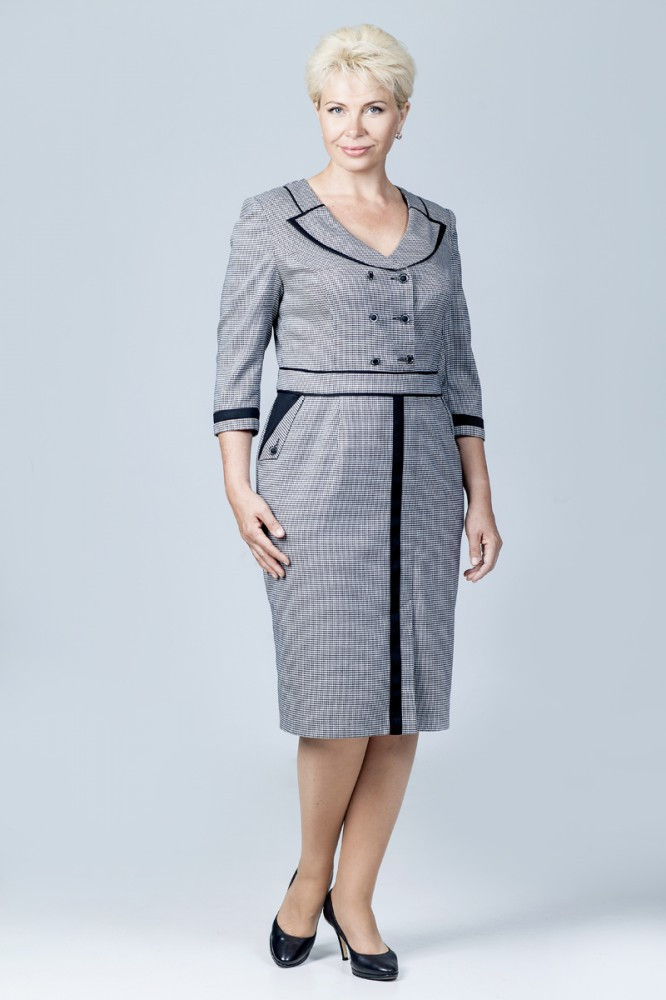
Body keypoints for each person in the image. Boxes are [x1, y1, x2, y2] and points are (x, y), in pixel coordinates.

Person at [212, 23, 502, 982]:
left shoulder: (440, 227)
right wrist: (237, 486)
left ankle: (358, 896)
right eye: (337, 107)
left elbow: (461, 370)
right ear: (317, 112)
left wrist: (480, 496)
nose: (354, 125)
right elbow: (236, 368)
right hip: (316, 472)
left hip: (425, 478)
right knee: (336, 700)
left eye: (373, 107)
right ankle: (310, 879)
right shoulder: (272, 218)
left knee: (402, 699)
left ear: (402, 116)